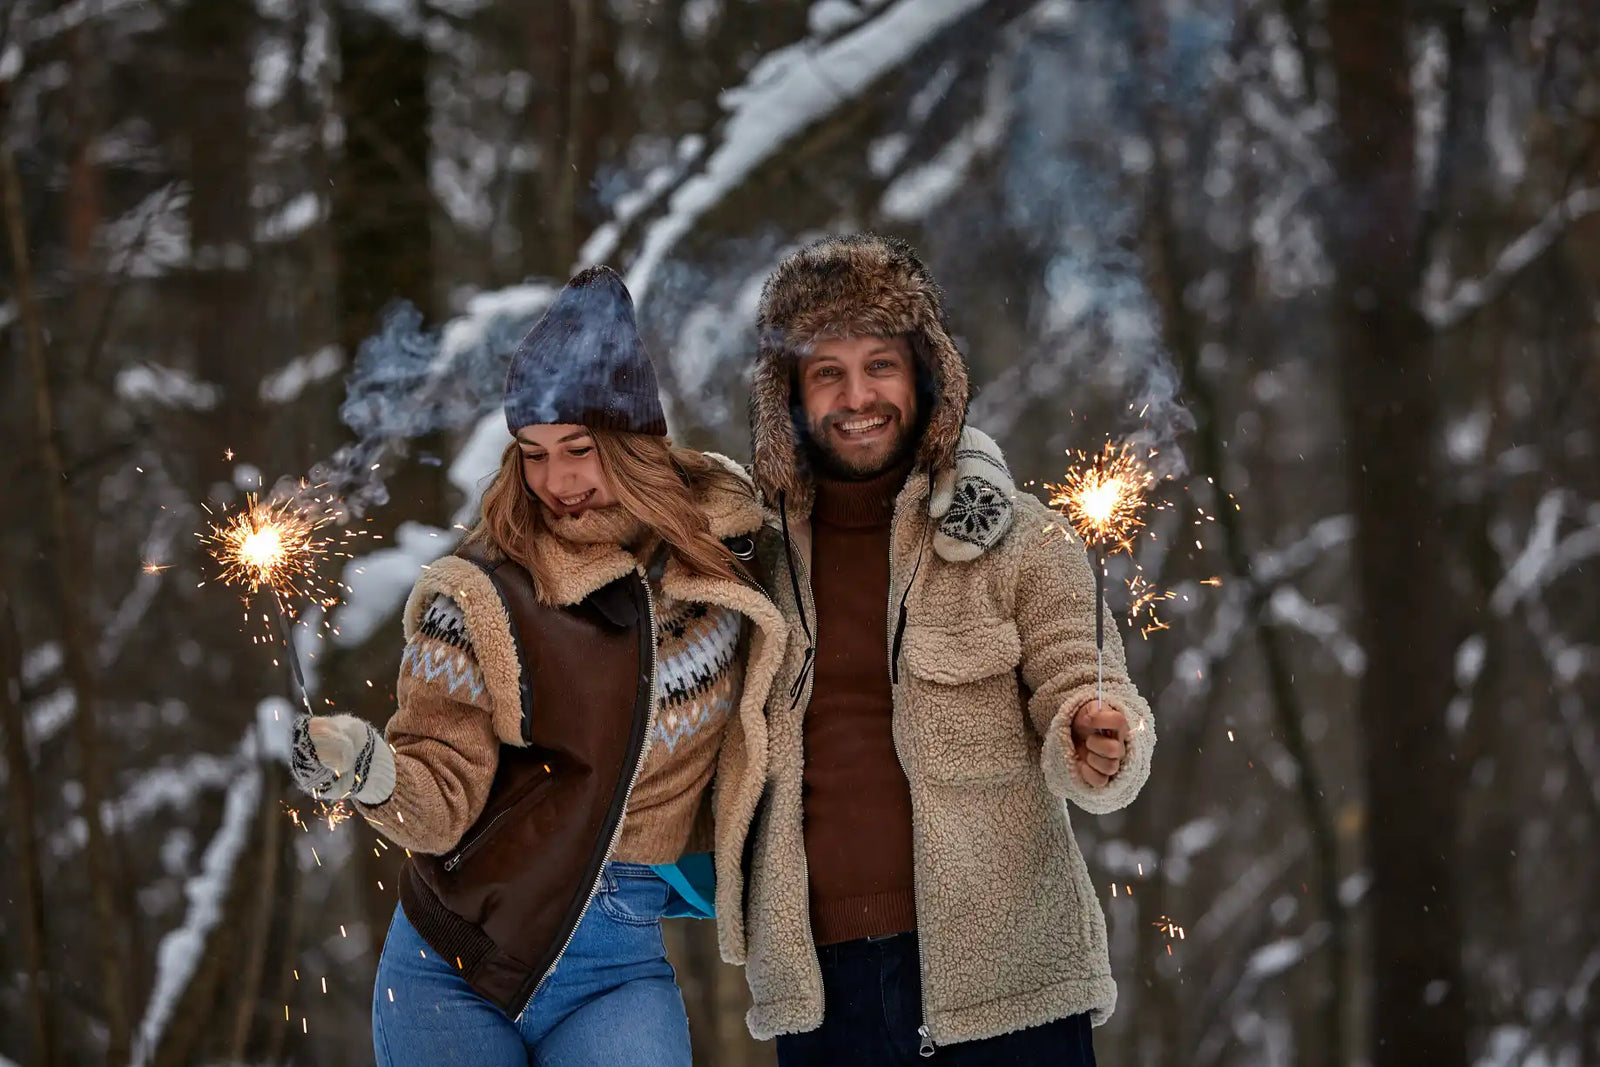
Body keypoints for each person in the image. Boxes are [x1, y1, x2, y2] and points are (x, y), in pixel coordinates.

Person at [288, 265, 787, 1067]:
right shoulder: (484, 596)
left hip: (618, 960)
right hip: (451, 962)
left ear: (634, 442)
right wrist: (372, 772)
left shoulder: (729, 556)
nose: (556, 482)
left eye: (579, 450)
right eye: (533, 453)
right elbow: (443, 796)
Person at [718, 234, 1157, 1065]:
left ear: (924, 374)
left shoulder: (1020, 537)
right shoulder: (753, 560)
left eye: (879, 364)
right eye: (827, 372)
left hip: (1011, 984)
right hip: (820, 997)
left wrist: (1098, 736)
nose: (858, 396)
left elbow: (1083, 686)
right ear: (789, 395)